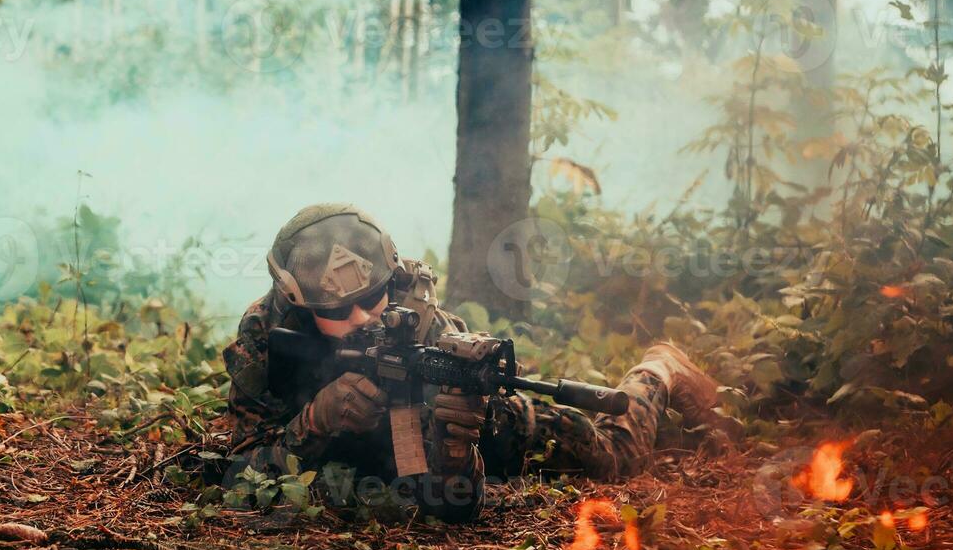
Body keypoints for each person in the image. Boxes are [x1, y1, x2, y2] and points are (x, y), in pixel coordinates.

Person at [220, 203, 731, 522]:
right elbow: (234, 473)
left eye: (372, 296)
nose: (360, 316)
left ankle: (659, 370)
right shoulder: (267, 337)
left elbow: (451, 506)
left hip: (482, 421)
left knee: (613, 457)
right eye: (335, 310)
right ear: (301, 305)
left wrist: (457, 446)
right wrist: (315, 421)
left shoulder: (430, 334)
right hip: (357, 444)